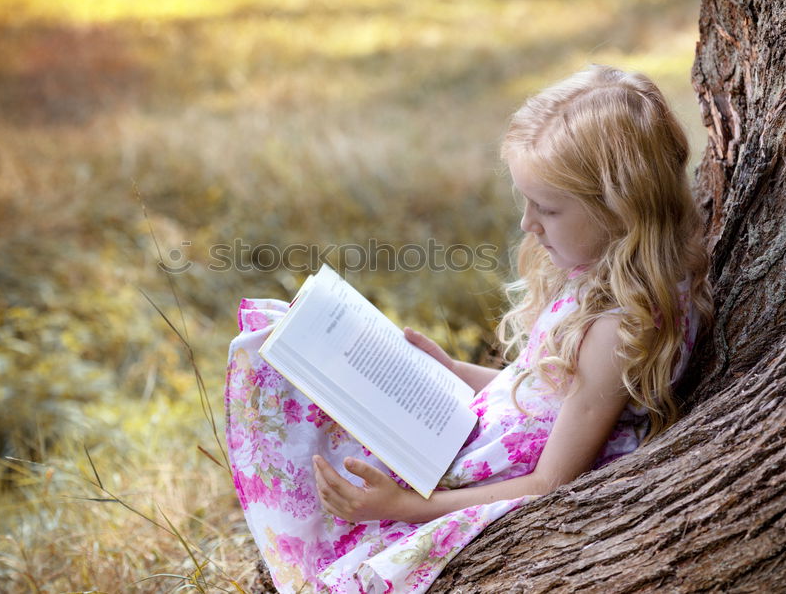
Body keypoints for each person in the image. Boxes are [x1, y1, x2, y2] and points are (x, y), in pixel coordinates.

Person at [224, 65, 713, 593]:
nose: (528, 223)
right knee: (298, 368)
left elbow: (551, 480)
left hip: (497, 486)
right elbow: (545, 392)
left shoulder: (620, 327)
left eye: (547, 208)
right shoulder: (599, 275)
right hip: (483, 440)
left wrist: (409, 509)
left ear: (620, 210)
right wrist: (456, 371)